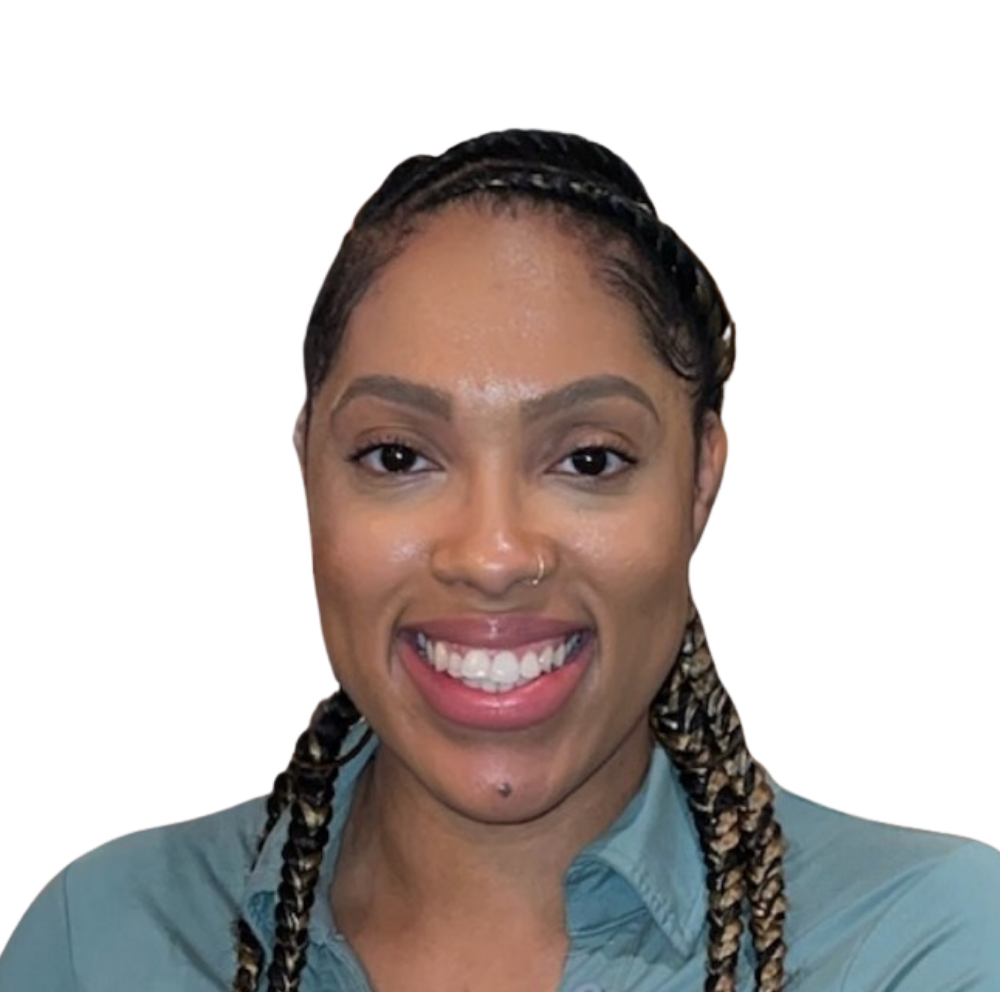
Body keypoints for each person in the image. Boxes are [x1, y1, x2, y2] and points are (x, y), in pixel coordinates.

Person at [2, 129, 997, 992]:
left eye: (589, 458)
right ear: (307, 474)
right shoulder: (105, 940)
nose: (491, 555)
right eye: (398, 456)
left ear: (701, 481)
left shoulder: (930, 947)